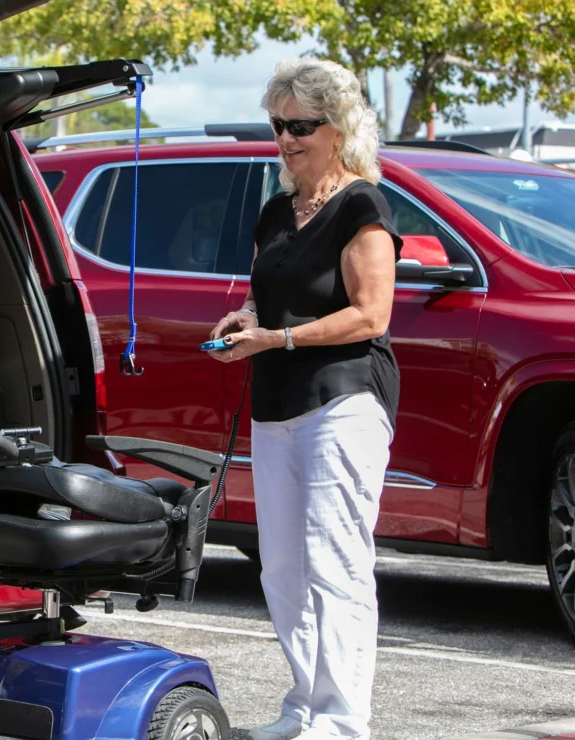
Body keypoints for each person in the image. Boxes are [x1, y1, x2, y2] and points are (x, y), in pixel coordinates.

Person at [207, 58, 402, 740]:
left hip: (342, 400)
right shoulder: (274, 210)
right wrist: (245, 319)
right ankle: (304, 709)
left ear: (337, 127)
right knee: (284, 569)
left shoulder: (361, 205)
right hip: (276, 402)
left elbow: (371, 315)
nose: (286, 139)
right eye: (278, 125)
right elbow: (273, 297)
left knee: (334, 561)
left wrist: (279, 341)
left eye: (300, 126)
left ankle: (344, 722)